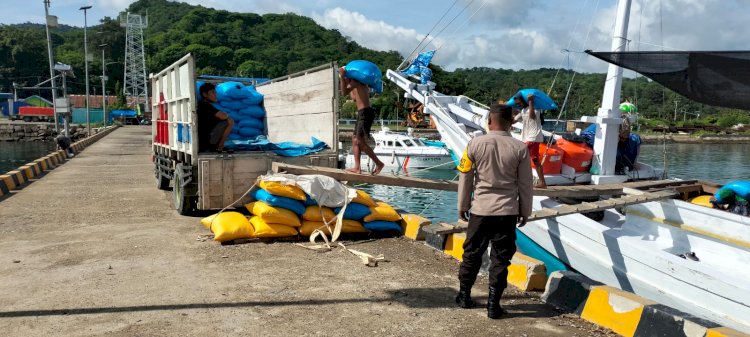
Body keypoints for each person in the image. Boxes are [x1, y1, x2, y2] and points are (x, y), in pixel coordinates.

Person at [455, 103, 533, 319]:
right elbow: (526, 184)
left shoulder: (474, 144)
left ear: (489, 120)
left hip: (480, 210)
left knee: (472, 254)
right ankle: (493, 305)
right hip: (507, 211)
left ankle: (464, 296)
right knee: (500, 259)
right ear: (511, 122)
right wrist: (525, 210)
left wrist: (462, 206)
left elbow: (466, 177)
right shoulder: (520, 148)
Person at [339, 67, 384, 175]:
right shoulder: (356, 83)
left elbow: (344, 92)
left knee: (359, 141)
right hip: (362, 113)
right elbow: (353, 97)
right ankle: (357, 168)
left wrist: (342, 77)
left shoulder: (356, 81)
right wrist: (345, 80)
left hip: (365, 112)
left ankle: (379, 163)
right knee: (354, 140)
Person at [513, 93, 547, 188]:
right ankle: (542, 183)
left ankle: (516, 181)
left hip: (533, 138)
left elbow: (532, 116)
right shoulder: (523, 111)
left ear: (524, 101)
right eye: (517, 104)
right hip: (528, 138)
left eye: (519, 103)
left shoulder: (535, 109)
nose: (518, 105)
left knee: (518, 156)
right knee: (535, 160)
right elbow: (513, 121)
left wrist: (531, 101)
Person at [197, 83, 234, 152]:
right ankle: (220, 146)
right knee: (229, 121)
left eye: (215, 93)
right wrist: (227, 116)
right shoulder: (205, 106)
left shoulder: (202, 104)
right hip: (207, 140)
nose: (215, 95)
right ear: (205, 94)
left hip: (205, 139)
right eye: (213, 92)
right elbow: (223, 116)